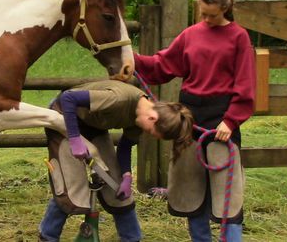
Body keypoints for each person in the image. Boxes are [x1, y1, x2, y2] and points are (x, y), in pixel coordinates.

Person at [132, 0, 256, 241]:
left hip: (221, 121)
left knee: (228, 197)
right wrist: (131, 59)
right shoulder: (190, 34)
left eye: (212, 15)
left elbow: (246, 85)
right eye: (203, 14)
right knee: (191, 191)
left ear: (225, 8)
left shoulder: (239, 38)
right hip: (189, 119)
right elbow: (161, 65)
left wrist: (231, 122)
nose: (206, 20)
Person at [38, 79, 194, 242]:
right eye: (151, 131)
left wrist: (126, 176)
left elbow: (125, 146)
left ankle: (131, 238)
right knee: (72, 186)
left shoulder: (141, 117)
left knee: (116, 185)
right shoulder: (119, 99)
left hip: (93, 125)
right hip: (63, 116)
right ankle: (47, 236)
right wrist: (75, 138)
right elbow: (68, 98)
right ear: (153, 118)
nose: (148, 133)